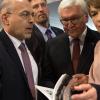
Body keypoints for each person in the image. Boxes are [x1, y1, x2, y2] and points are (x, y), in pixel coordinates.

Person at [41, 0, 100, 88]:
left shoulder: (98, 40)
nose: (70, 25)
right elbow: (47, 79)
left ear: (86, 17)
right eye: (65, 20)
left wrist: (88, 80)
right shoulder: (51, 45)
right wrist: (61, 90)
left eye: (74, 19)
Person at [0, 0, 40, 99]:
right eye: (25, 14)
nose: (32, 20)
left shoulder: (35, 42)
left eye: (32, 15)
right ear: (5, 19)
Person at [26, 0, 64, 66]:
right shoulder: (28, 37)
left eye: (43, 5)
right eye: (35, 7)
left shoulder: (60, 32)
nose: (41, 9)